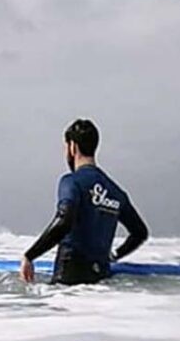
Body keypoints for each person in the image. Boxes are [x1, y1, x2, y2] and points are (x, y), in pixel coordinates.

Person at [20, 119, 148, 285]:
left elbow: (64, 220)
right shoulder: (116, 192)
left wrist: (29, 256)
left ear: (72, 147)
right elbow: (140, 232)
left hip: (68, 281)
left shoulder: (71, 182)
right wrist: (114, 255)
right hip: (99, 282)